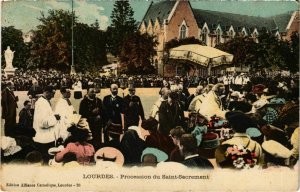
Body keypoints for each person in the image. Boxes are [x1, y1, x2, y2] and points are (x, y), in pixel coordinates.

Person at [33, 86, 60, 164]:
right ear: (47, 92)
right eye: (53, 93)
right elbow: (43, 123)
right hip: (44, 139)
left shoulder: (45, 101)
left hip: (46, 138)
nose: (53, 96)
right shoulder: (42, 103)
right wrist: (55, 118)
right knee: (46, 162)